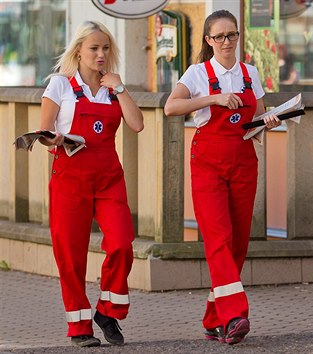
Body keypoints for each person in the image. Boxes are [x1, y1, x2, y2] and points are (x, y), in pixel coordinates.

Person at [164, 10, 280, 345]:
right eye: (219, 37)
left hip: (243, 159)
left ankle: (214, 316)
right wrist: (214, 97)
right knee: (218, 237)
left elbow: (256, 119)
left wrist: (269, 122)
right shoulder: (198, 73)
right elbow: (172, 106)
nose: (226, 42)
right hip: (208, 163)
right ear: (208, 40)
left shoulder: (250, 73)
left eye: (232, 35)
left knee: (239, 240)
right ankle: (235, 315)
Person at [39, 21, 143, 347]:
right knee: (70, 256)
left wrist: (121, 87)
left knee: (123, 242)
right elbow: (44, 132)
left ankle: (107, 311)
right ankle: (79, 327)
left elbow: (137, 124)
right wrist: (56, 139)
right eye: (94, 48)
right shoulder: (60, 85)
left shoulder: (113, 88)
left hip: (109, 177)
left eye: (106, 48)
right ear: (79, 51)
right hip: (70, 176)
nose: (101, 54)